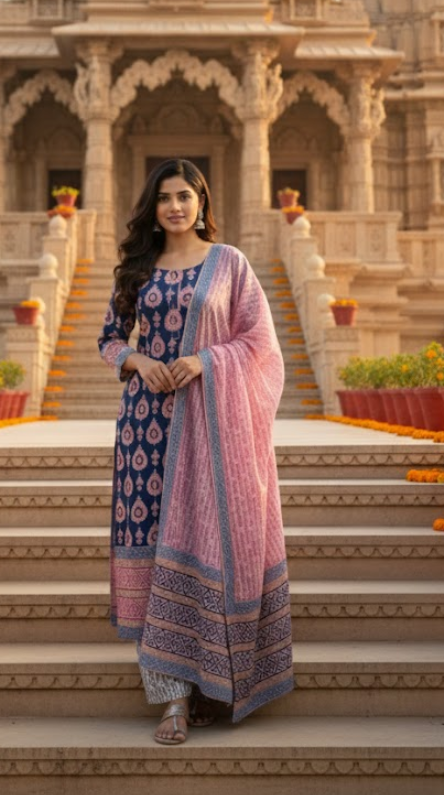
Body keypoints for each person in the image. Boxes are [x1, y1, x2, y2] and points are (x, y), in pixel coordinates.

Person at [98, 158, 293, 745]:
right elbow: (110, 339)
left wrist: (205, 360)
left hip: (210, 429)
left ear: (202, 201)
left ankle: (210, 682)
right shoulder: (137, 268)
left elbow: (259, 343)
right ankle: (170, 699)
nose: (175, 207)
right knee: (152, 552)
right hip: (145, 432)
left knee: (207, 540)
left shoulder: (229, 263)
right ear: (152, 207)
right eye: (164, 198)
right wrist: (139, 361)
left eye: (185, 196)